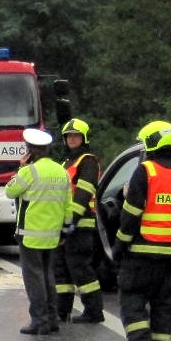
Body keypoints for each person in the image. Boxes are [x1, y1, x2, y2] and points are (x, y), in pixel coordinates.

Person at [113, 120, 171, 341]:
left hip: (143, 253)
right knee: (164, 305)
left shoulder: (146, 171)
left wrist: (119, 246)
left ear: (151, 143)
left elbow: (131, 215)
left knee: (132, 299)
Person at [5, 127, 71, 335]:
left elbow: (10, 191)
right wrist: (65, 230)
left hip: (30, 235)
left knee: (34, 278)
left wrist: (20, 168)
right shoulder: (62, 172)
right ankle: (52, 319)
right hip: (53, 235)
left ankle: (39, 321)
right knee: (48, 276)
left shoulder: (29, 171)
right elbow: (67, 205)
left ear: (30, 151)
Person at [54, 117, 105, 324]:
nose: (72, 139)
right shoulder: (65, 163)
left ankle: (94, 312)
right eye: (69, 136)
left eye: (76, 136)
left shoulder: (88, 161)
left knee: (81, 269)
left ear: (84, 138)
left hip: (80, 224)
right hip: (64, 224)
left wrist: (70, 221)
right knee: (61, 271)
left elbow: (83, 194)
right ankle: (61, 311)